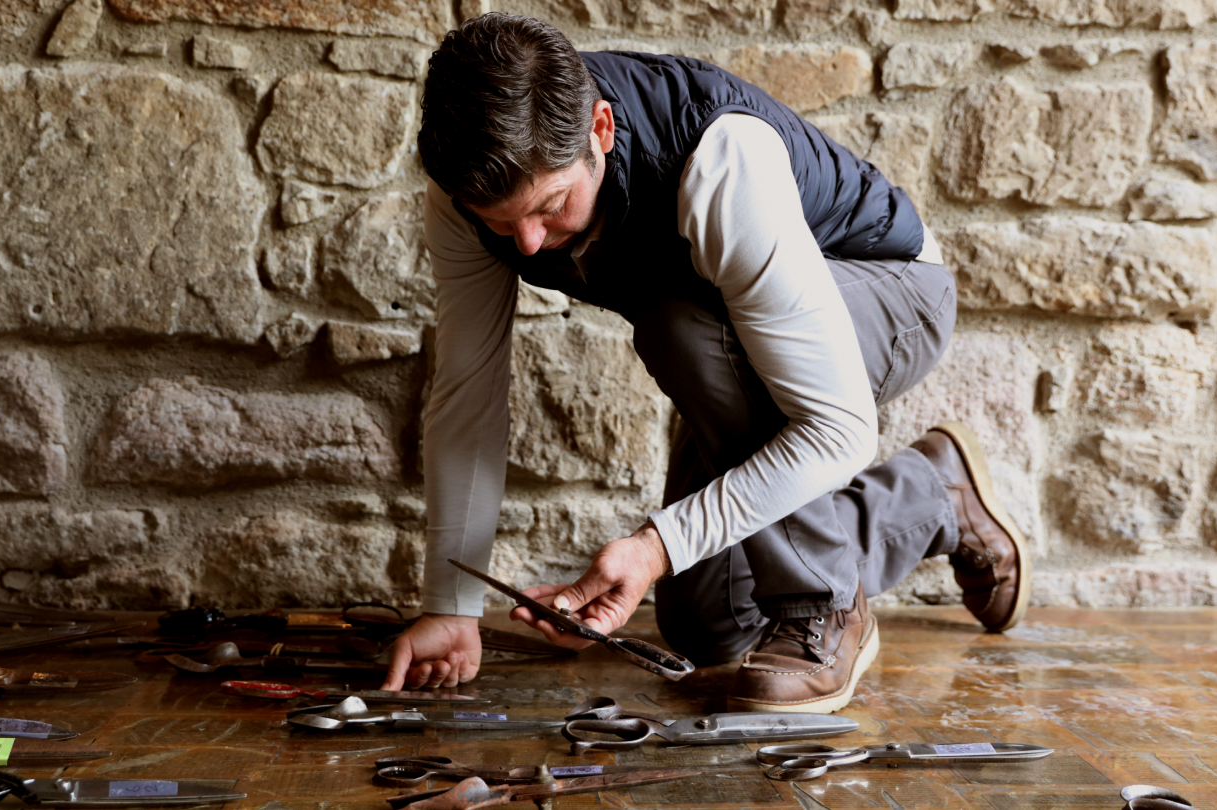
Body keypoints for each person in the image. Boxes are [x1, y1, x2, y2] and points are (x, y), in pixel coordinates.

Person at [379, 13, 1030, 713]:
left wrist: (656, 545)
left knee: (676, 327)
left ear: (600, 129)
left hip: (892, 295)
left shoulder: (721, 162)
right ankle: (934, 494)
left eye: (551, 205)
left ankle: (828, 606)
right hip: (741, 334)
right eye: (502, 224)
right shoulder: (467, 191)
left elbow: (838, 430)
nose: (529, 244)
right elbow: (468, 395)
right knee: (708, 620)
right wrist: (451, 604)